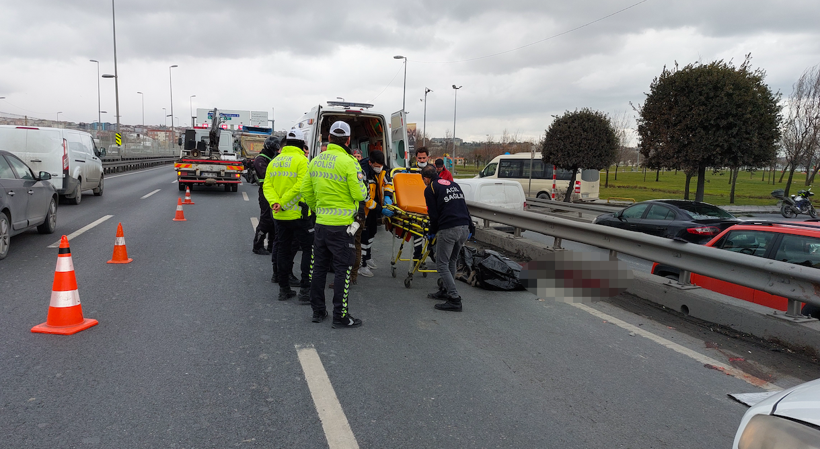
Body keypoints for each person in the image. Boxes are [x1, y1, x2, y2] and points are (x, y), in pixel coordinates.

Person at [301, 121, 368, 328]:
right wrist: (364, 192)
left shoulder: (315, 161)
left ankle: (318, 311)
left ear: (329, 138)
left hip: (321, 224)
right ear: (348, 140)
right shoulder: (350, 162)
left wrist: (318, 210)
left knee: (318, 268)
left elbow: (306, 191)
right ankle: (340, 316)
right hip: (343, 228)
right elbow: (359, 193)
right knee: (342, 271)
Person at [264, 129, 314, 302]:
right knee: (308, 250)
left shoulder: (275, 161)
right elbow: (302, 186)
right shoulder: (303, 161)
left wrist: (275, 203)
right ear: (302, 143)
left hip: (279, 216)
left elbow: (267, 186)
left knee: (283, 251)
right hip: (299, 215)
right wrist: (284, 203)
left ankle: (283, 289)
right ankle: (305, 291)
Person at [421, 165, 474, 312]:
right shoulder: (453, 184)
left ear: (426, 178)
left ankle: (455, 299)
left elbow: (433, 214)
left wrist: (432, 231)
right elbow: (464, 206)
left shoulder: (430, 189)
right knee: (451, 261)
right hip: (464, 227)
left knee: (441, 264)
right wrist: (471, 227)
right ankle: (446, 290)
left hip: (449, 229)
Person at [358, 150, 394, 277]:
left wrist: (388, 197)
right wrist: (380, 209)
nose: (379, 168)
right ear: (370, 163)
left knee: (372, 232)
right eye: (377, 166)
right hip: (364, 209)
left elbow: (388, 183)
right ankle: (361, 265)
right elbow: (365, 198)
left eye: (381, 166)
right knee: (364, 235)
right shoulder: (363, 173)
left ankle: (367, 257)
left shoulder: (383, 169)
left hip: (375, 207)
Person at [252, 136, 279, 256]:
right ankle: (257, 245)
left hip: (274, 192)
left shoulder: (272, 158)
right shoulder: (260, 159)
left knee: (274, 221)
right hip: (265, 192)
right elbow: (265, 176)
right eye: (275, 148)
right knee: (266, 219)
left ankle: (272, 246)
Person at [411, 147, 430, 264]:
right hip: (415, 205)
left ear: (428, 157)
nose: (422, 160)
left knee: (430, 235)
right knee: (418, 234)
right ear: (416, 158)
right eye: (420, 158)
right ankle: (417, 257)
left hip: (429, 205)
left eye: (424, 158)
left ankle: (429, 254)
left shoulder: (432, 170)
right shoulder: (410, 170)